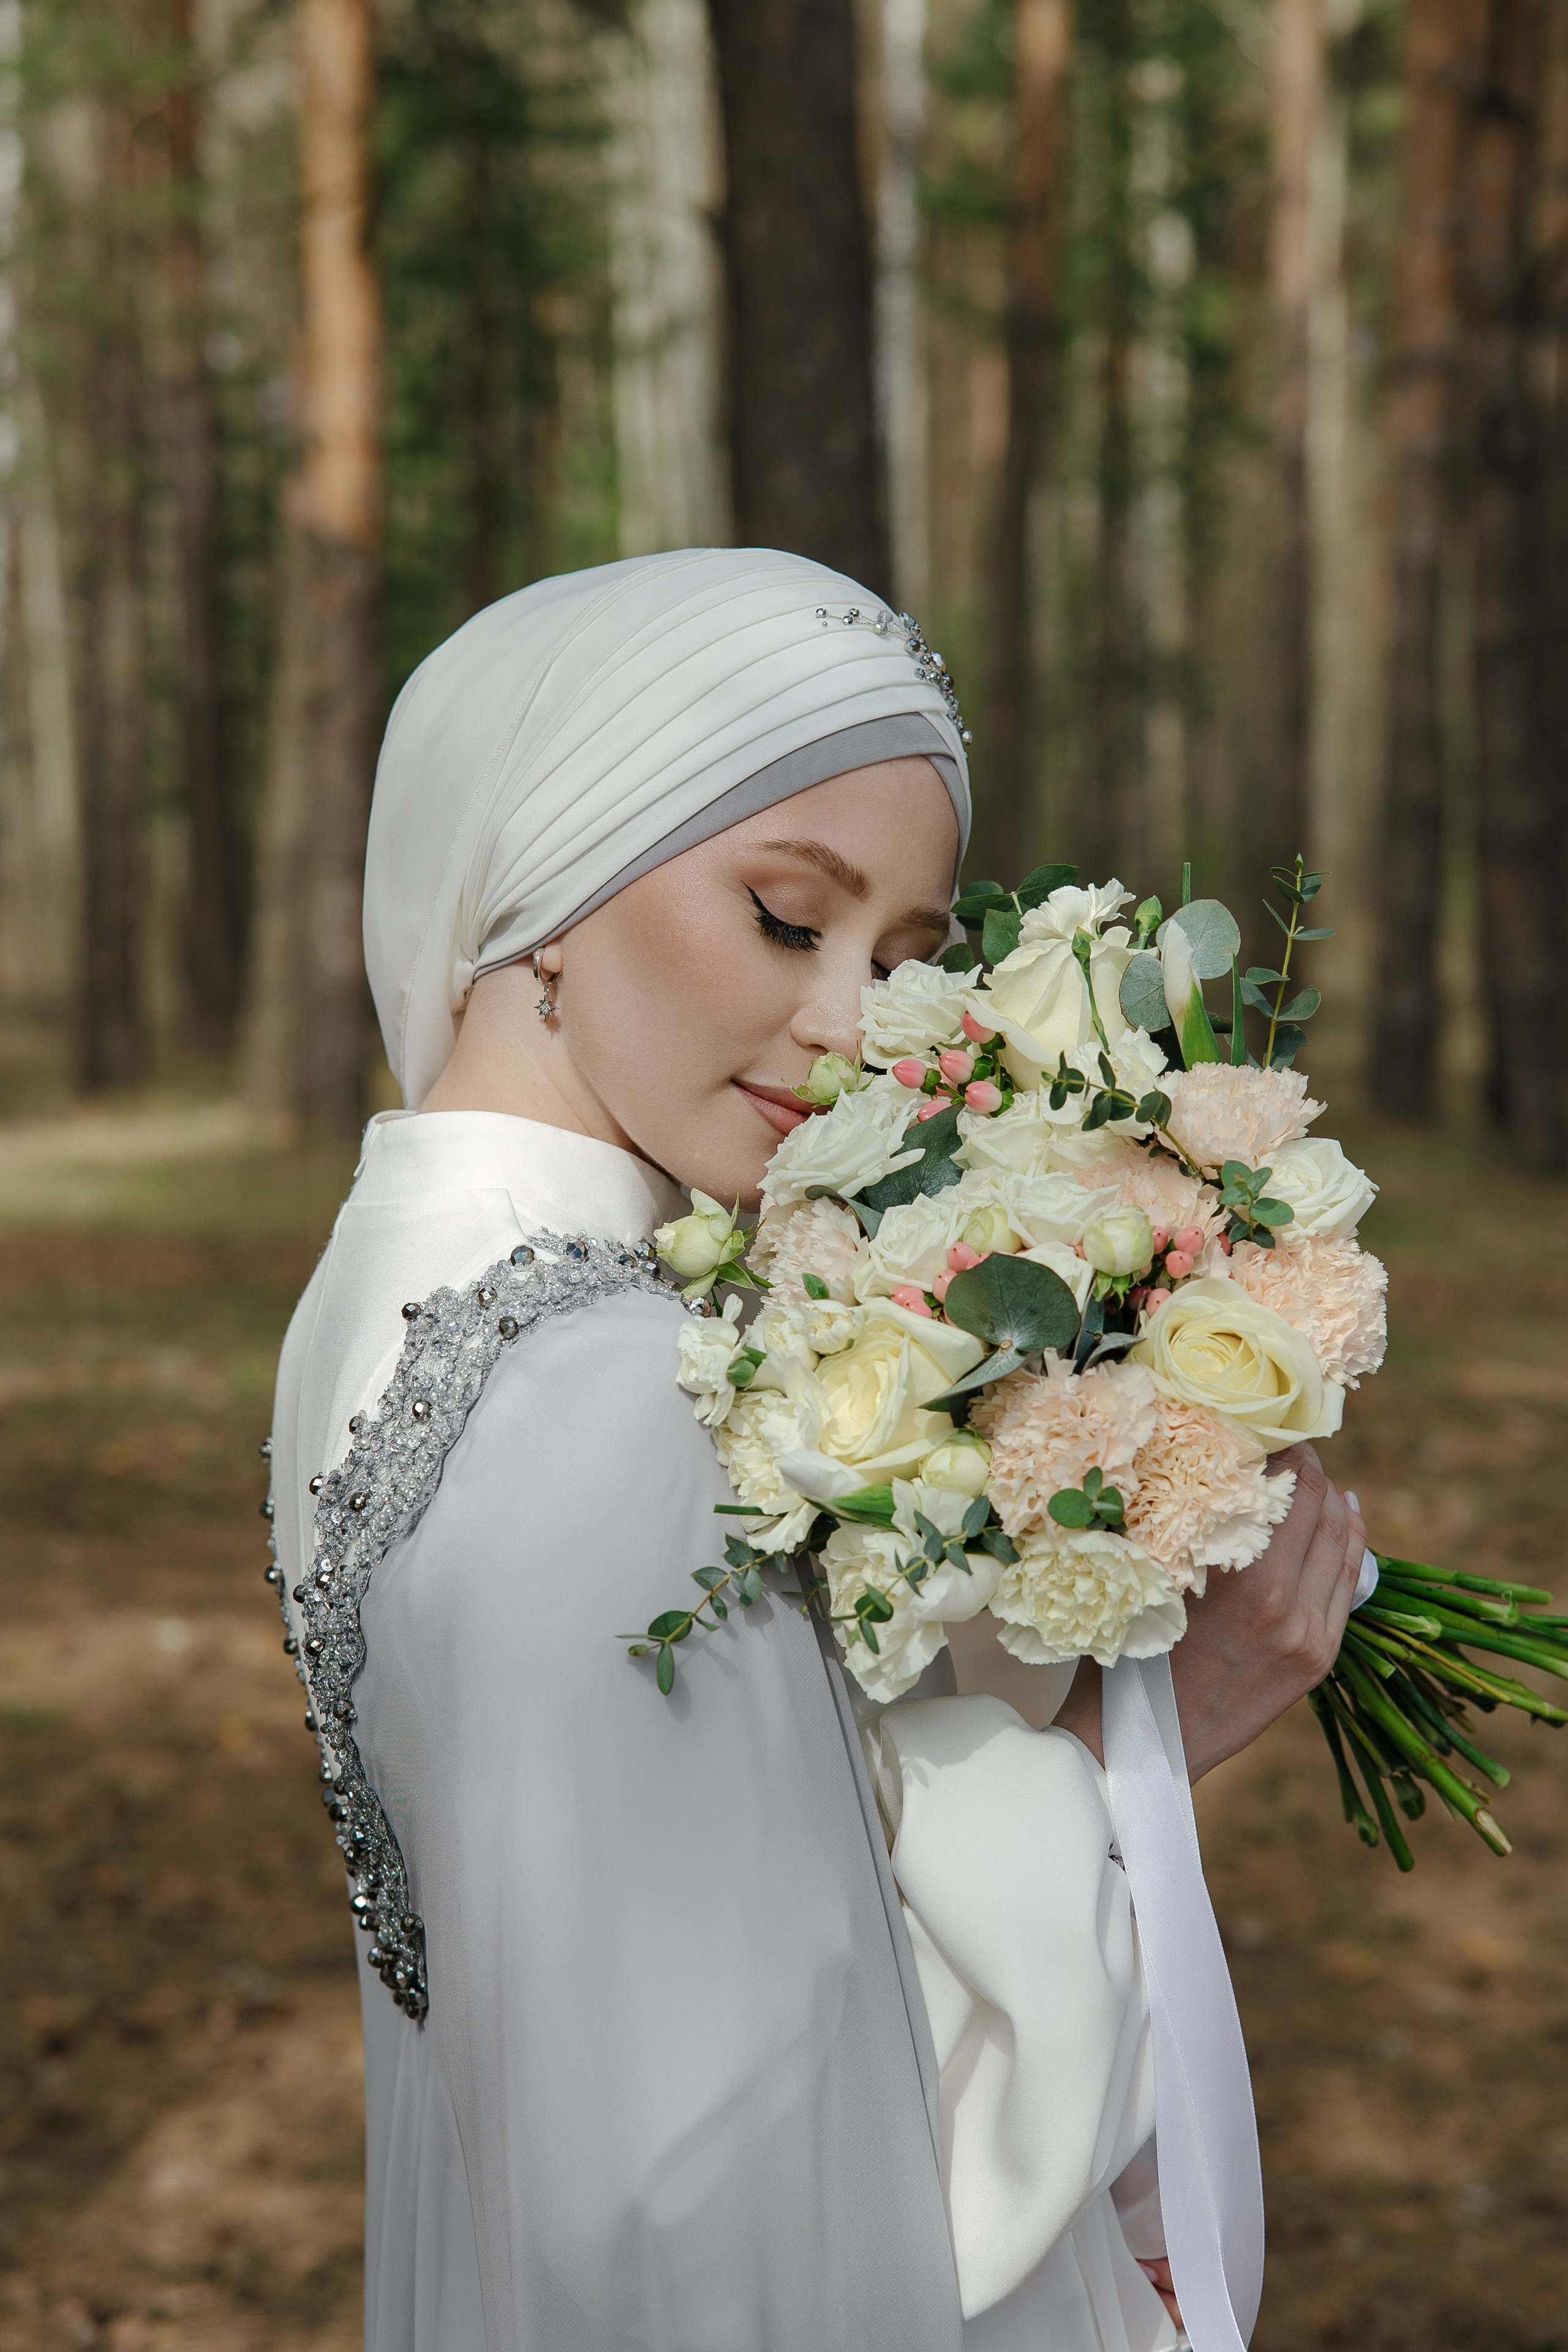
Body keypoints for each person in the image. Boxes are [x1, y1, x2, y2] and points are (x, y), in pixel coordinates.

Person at [266, 548, 1368, 2352]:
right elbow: (701, 2182)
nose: (857, 1030)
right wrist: (1147, 1738)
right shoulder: (608, 1404)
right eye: (790, 918)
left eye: (905, 958)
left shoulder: (402, 1278)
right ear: (550, 876)